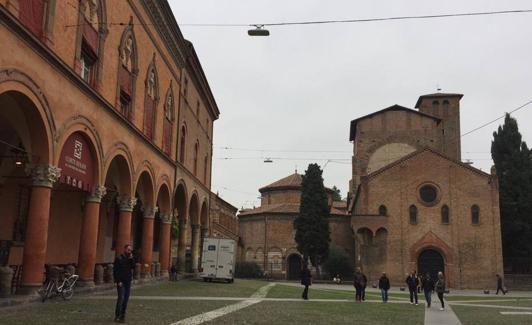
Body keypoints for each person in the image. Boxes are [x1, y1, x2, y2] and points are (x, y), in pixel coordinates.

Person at [113, 244, 135, 323]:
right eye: (128, 250)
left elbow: (133, 267)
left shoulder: (130, 259)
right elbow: (116, 271)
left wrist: (131, 259)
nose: (130, 252)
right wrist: (118, 281)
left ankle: (122, 316)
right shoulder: (119, 258)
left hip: (127, 282)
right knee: (121, 299)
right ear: (125, 249)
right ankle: (117, 315)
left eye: (130, 250)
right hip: (121, 282)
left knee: (125, 299)